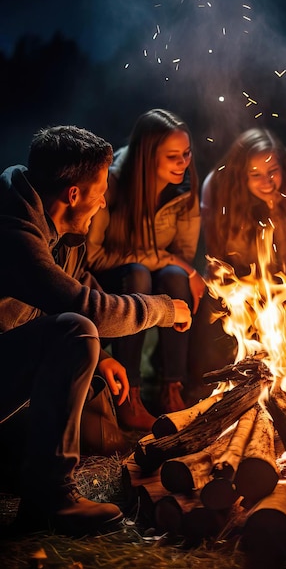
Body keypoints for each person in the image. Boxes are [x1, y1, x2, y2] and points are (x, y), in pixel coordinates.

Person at [0, 125, 192, 535]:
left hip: (9, 366)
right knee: (75, 331)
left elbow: (79, 283)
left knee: (85, 352)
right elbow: (82, 307)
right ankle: (51, 497)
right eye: (100, 190)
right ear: (73, 194)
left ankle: (25, 473)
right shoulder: (13, 229)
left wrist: (103, 358)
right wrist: (162, 309)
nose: (104, 200)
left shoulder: (59, 228)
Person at [187, 127, 286, 402]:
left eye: (273, 171)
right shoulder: (216, 186)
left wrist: (278, 211)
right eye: (255, 175)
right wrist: (242, 289)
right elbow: (217, 257)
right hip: (238, 273)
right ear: (241, 175)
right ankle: (202, 382)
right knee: (214, 304)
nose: (267, 182)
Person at [85, 109, 204, 429]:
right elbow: (94, 256)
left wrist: (175, 266)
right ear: (146, 157)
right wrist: (169, 261)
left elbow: (183, 255)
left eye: (187, 153)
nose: (184, 162)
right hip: (113, 278)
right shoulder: (112, 181)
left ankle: (172, 388)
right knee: (140, 273)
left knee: (177, 277)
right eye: (173, 156)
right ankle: (129, 395)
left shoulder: (186, 189)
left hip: (156, 275)